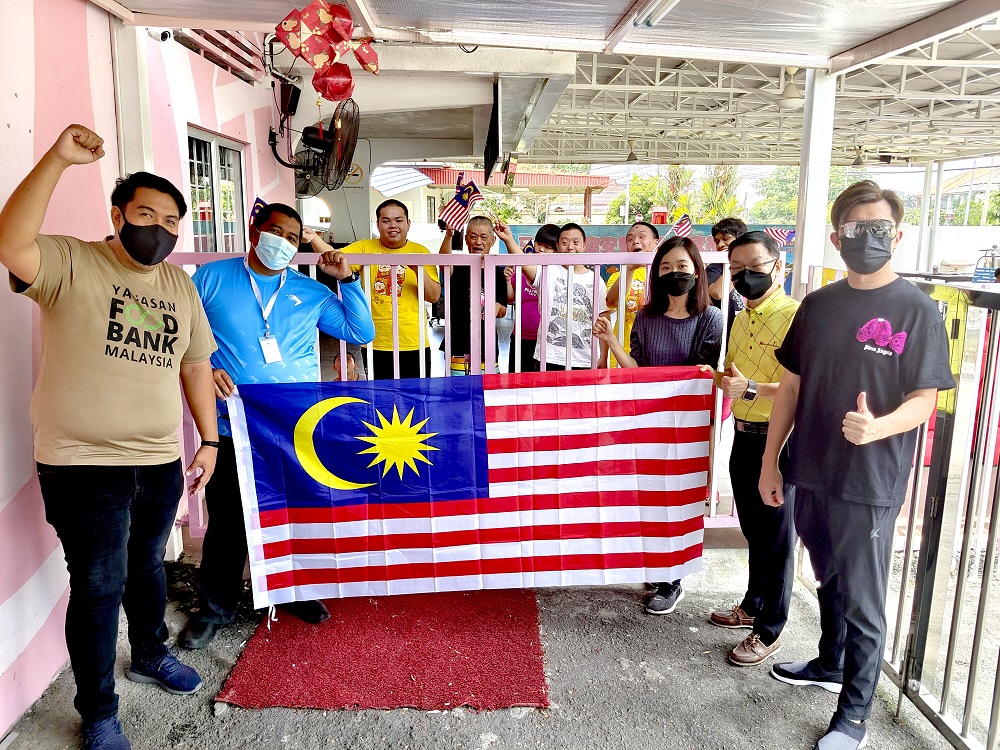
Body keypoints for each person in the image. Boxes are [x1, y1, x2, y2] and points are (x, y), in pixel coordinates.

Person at [0, 124, 218, 750]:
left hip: (158, 460)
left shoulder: (178, 284)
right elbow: (13, 243)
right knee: (98, 584)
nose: (161, 228)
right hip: (81, 464)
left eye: (173, 219)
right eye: (147, 214)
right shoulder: (71, 261)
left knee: (149, 564)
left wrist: (207, 441)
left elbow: (195, 364)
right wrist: (60, 159)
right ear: (118, 215)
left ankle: (149, 653)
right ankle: (98, 709)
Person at [759, 181, 955, 750]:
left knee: (865, 599)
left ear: (897, 234)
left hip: (868, 479)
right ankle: (829, 662)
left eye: (877, 228)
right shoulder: (818, 304)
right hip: (810, 468)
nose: (866, 237)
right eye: (854, 228)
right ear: (835, 236)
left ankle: (855, 715)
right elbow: (790, 387)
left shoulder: (915, 310)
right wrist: (771, 461)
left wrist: (879, 427)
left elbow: (925, 399)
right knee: (827, 577)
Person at [179, 203, 375, 650]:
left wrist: (346, 280)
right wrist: (204, 367)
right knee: (228, 517)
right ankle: (216, 609)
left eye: (292, 236)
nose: (282, 242)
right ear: (254, 231)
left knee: (291, 516)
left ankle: (294, 594)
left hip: (294, 425)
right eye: (275, 231)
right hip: (232, 425)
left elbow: (360, 333)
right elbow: (181, 333)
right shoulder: (211, 278)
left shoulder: (308, 291)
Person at [593, 236, 723, 615]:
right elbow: (637, 370)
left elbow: (701, 375)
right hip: (649, 422)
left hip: (689, 427)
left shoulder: (711, 319)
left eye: (682, 266)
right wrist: (612, 342)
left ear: (696, 271)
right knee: (648, 495)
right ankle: (657, 564)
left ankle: (673, 579)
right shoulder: (646, 318)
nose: (674, 273)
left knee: (678, 499)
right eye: (665, 268)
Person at [703, 231, 799, 668]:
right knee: (754, 530)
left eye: (755, 267)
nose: (745, 277)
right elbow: (735, 376)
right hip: (743, 433)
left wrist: (751, 387)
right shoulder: (739, 316)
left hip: (778, 441)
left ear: (779, 267)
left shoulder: (797, 316)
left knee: (777, 536)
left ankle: (771, 628)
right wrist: (720, 377)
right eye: (736, 269)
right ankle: (753, 604)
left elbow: (801, 385)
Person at [342, 199, 441, 379]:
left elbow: (434, 296)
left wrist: (416, 268)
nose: (392, 225)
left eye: (398, 220)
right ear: (378, 225)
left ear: (408, 224)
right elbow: (336, 258)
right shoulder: (365, 247)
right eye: (386, 221)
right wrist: (314, 239)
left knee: (416, 401)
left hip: (413, 341)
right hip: (375, 341)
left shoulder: (421, 251)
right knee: (382, 401)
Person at [507, 223, 608, 371]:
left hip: (585, 358)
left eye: (575, 242)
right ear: (558, 246)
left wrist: (603, 357)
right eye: (565, 242)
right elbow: (523, 261)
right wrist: (508, 238)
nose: (570, 247)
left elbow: (603, 319)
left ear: (584, 245)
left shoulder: (596, 280)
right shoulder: (547, 271)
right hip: (550, 357)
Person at [438, 216, 510, 374]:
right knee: (458, 394)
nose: (478, 241)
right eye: (473, 236)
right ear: (465, 239)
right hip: (457, 344)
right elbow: (444, 262)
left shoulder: (497, 271)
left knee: (486, 394)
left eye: (484, 237)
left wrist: (495, 307)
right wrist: (448, 235)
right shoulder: (457, 266)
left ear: (492, 241)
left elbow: (503, 310)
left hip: (487, 346)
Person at [602, 221, 659, 368]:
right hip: (623, 351)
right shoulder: (618, 275)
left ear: (656, 242)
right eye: (630, 239)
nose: (636, 241)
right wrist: (629, 270)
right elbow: (612, 302)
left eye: (642, 237)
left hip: (656, 351)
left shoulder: (663, 273)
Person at [503, 224, 559, 373]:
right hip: (520, 337)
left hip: (547, 340)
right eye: (539, 244)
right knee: (517, 380)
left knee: (541, 383)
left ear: (557, 250)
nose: (541, 249)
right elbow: (510, 299)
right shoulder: (522, 268)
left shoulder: (558, 274)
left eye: (548, 247)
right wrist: (508, 280)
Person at [707, 217, 747, 335]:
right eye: (716, 241)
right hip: (725, 335)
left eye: (726, 239)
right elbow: (718, 293)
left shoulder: (752, 267)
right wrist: (733, 263)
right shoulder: (714, 268)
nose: (720, 245)